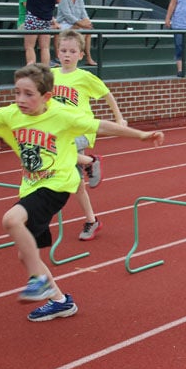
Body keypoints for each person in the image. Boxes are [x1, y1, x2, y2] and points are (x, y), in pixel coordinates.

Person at [0, 64, 163, 321]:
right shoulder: (10, 115)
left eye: (28, 94)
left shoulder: (62, 116)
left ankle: (39, 281)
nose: (21, 100)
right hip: (32, 185)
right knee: (25, 255)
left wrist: (141, 135)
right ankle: (60, 302)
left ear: (46, 96)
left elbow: (102, 126)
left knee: (11, 220)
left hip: (58, 184)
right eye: (17, 93)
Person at [52, 29, 127, 240]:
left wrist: (119, 118)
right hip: (60, 132)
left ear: (80, 55)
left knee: (53, 149)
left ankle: (91, 160)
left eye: (72, 51)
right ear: (57, 52)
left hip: (81, 131)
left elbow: (107, 94)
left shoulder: (84, 77)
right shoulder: (51, 76)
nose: (67, 55)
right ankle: (92, 221)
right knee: (77, 184)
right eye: (63, 50)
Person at [55, 0, 97, 66]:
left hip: (77, 24)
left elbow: (84, 14)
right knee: (82, 28)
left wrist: (88, 23)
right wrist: (82, 24)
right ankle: (82, 55)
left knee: (88, 30)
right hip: (63, 23)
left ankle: (88, 57)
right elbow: (67, 15)